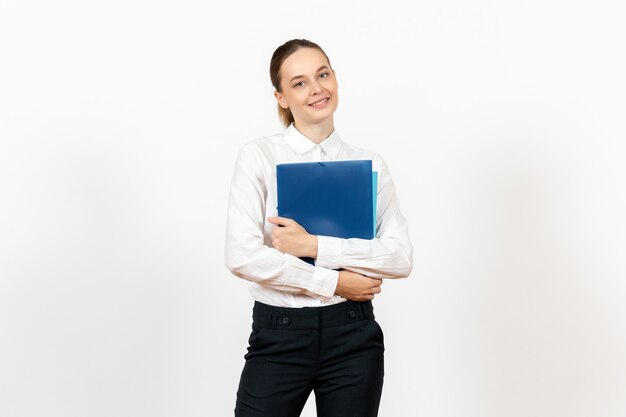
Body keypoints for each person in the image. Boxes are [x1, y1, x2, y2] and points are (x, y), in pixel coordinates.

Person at [224, 38, 413, 417]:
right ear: (281, 97)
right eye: (299, 82)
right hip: (279, 333)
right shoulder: (258, 156)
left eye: (322, 74)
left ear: (335, 79)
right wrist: (336, 282)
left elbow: (399, 259)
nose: (316, 89)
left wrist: (313, 246)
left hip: (353, 337)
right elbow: (242, 255)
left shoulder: (370, 164)